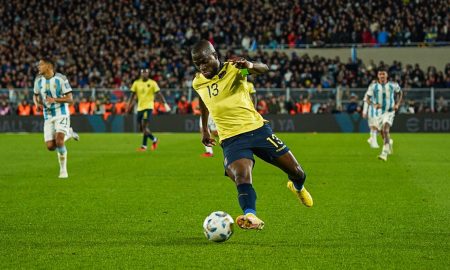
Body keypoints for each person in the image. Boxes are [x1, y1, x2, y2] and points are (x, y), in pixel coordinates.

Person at [191, 40, 313, 231]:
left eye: (205, 61)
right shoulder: (198, 81)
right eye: (198, 63)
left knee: (298, 172)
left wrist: (249, 65)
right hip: (232, 138)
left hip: (258, 130)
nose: (202, 67)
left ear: (215, 56)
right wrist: (204, 129)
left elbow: (263, 69)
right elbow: (203, 100)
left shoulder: (236, 70)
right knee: (242, 176)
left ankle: (297, 187)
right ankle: (251, 215)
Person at [32, 57, 79, 178]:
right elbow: (35, 95)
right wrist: (37, 104)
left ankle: (63, 171)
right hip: (48, 116)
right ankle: (69, 132)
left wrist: (55, 99)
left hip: (61, 113)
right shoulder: (38, 80)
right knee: (50, 146)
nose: (38, 67)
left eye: (41, 65)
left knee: (59, 141)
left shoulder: (61, 79)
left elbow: (70, 99)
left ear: (48, 66)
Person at [127, 68, 169, 151]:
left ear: (148, 74)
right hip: (139, 108)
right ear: (141, 73)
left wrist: (165, 103)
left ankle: (144, 146)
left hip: (148, 107)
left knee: (144, 126)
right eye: (143, 73)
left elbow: (159, 94)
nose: (144, 74)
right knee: (141, 128)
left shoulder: (152, 83)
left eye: (146, 73)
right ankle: (154, 139)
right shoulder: (136, 83)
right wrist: (129, 105)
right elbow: (132, 95)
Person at [366, 67, 403, 161]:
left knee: (386, 129)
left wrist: (397, 104)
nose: (382, 76)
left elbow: (400, 93)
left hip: (390, 111)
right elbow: (367, 99)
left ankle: (384, 154)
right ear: (378, 76)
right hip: (379, 112)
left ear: (387, 75)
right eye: (380, 74)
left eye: (383, 74)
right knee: (382, 132)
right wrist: (374, 105)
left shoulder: (393, 85)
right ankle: (389, 143)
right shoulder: (373, 86)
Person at [363, 81, 382, 148]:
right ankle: (374, 143)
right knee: (375, 127)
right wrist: (364, 111)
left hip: (379, 111)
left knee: (377, 128)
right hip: (372, 111)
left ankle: (371, 140)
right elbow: (366, 101)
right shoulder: (369, 92)